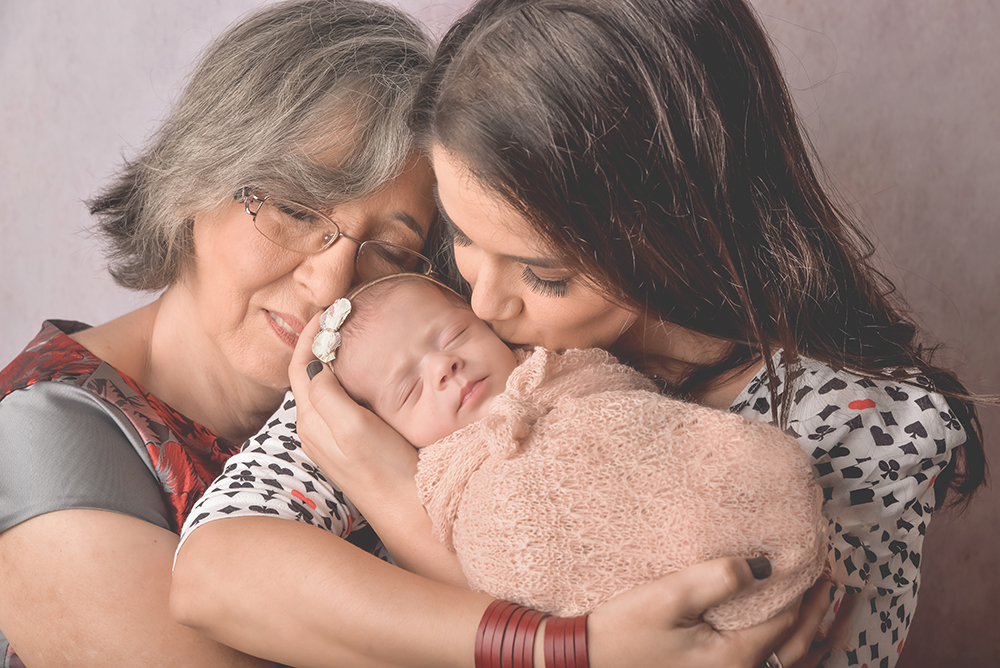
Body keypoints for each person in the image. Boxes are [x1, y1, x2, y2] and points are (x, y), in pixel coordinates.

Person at [273, 0, 988, 666]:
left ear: (674, 227)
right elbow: (224, 567)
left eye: (543, 272)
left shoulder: (865, 426)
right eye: (460, 233)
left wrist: (394, 495)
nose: (483, 302)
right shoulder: (428, 320)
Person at [0, 1, 439, 665]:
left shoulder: (424, 402)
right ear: (197, 175)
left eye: (390, 252)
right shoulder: (41, 437)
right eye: (295, 210)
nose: (330, 286)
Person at [315, 272, 829, 631]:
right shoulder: (442, 483)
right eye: (409, 389)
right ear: (390, 432)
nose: (443, 366)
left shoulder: (563, 371)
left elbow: (643, 421)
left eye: (454, 335)